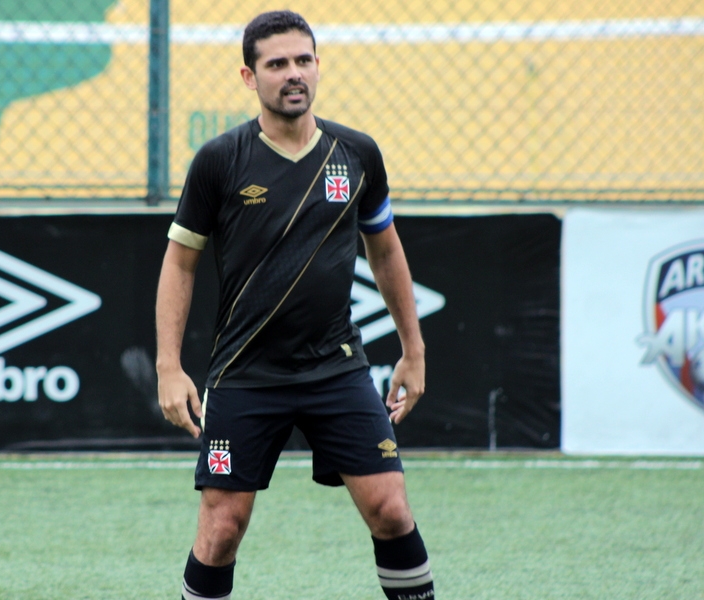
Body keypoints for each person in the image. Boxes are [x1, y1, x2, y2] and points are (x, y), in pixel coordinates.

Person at [155, 10, 434, 600]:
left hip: (335, 367)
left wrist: (413, 350)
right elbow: (180, 263)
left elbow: (385, 251)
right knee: (221, 530)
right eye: (277, 64)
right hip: (245, 372)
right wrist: (168, 366)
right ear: (249, 76)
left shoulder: (356, 153)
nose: (293, 74)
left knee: (390, 509)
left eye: (303, 60)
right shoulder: (219, 160)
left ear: (318, 66)